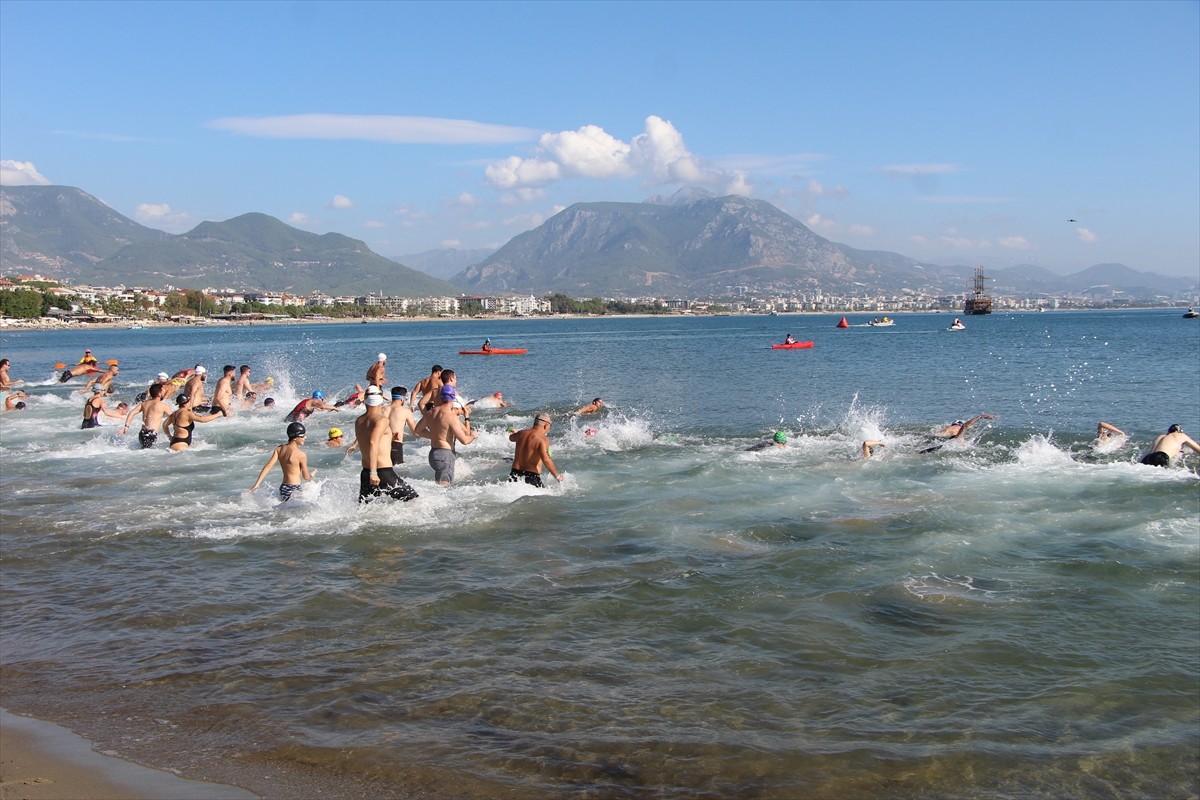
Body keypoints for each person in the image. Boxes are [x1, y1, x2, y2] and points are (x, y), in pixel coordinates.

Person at [354, 392, 418, 502]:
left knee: (366, 509)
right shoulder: (381, 420)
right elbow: (373, 442)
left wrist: (390, 436)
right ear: (380, 401)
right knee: (414, 499)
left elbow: (369, 439)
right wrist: (374, 473)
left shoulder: (359, 420)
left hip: (365, 472)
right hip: (382, 473)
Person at [413, 385, 477, 485]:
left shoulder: (431, 412)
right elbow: (464, 440)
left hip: (433, 454)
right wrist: (474, 435)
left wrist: (434, 436)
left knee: (439, 487)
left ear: (441, 397)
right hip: (445, 455)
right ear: (453, 398)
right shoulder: (451, 416)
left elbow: (417, 430)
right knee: (443, 488)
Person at [248, 422, 316, 501]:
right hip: (294, 489)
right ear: (295, 437)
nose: (305, 437)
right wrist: (312, 474)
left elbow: (268, 466)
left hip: (284, 487)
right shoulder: (301, 455)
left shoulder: (279, 449)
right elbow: (306, 477)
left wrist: (257, 484)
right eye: (303, 436)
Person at [508, 412, 562, 487]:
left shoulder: (521, 433)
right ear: (546, 425)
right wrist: (558, 476)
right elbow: (546, 460)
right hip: (531, 477)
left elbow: (511, 438)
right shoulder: (542, 440)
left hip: (514, 474)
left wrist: (515, 432)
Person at [121, 383, 172, 449]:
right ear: (159, 393)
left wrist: (126, 426)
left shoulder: (144, 404)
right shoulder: (162, 406)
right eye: (163, 391)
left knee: (143, 450)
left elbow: (131, 413)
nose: (164, 393)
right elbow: (174, 417)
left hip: (142, 434)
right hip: (151, 434)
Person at [387, 386, 419, 465]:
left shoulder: (381, 409)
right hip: (395, 445)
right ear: (402, 399)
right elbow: (415, 432)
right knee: (397, 472)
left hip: (381, 444)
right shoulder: (405, 411)